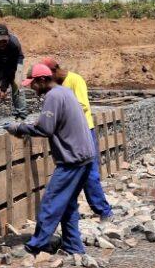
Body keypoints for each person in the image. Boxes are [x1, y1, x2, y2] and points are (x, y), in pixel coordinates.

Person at [4, 63, 97, 256]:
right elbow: (51, 122)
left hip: (72, 159)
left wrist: (18, 128)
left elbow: (46, 129)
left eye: (33, 84)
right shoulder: (64, 92)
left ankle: (36, 245)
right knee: (68, 203)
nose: (32, 88)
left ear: (42, 80)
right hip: (85, 155)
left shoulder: (53, 96)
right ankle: (74, 247)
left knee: (51, 201)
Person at [42, 56, 113, 220]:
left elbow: (82, 105)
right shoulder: (55, 86)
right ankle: (70, 212)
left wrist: (58, 116)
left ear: (55, 70)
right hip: (67, 134)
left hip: (83, 131)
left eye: (49, 76)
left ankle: (104, 211)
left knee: (89, 173)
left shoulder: (75, 80)